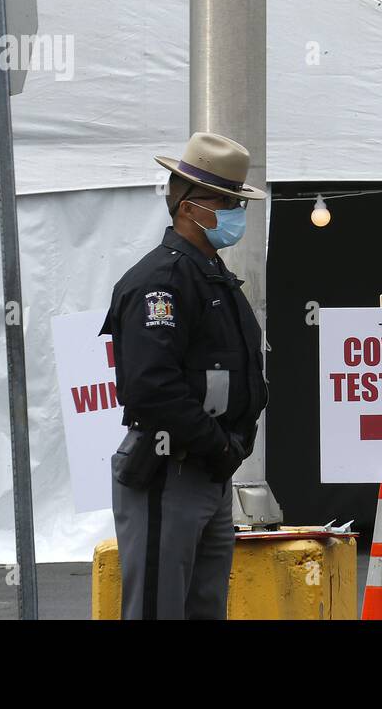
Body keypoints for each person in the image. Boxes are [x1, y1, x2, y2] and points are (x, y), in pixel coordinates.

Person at [103, 132, 269, 618]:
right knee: (158, 609)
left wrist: (232, 445)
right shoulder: (161, 281)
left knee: (203, 609)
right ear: (192, 206)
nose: (237, 215)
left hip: (208, 473)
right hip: (169, 470)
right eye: (228, 203)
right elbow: (152, 388)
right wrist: (218, 446)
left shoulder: (211, 275)